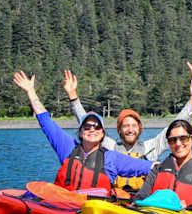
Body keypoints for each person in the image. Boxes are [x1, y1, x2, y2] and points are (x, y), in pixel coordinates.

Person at [12, 71, 153, 192]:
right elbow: (46, 121)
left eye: (97, 126)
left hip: (95, 211)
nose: (92, 129)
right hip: (65, 206)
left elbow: (147, 167)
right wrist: (31, 91)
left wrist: (167, 166)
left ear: (103, 134)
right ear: (80, 132)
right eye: (87, 126)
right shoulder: (67, 148)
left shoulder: (112, 158)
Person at [63, 69, 192, 192]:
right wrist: (73, 96)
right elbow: (88, 125)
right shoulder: (109, 147)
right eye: (125, 126)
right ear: (119, 130)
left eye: (134, 126)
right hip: (115, 200)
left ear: (139, 128)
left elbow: (174, 127)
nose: (130, 130)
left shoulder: (150, 147)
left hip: (140, 200)